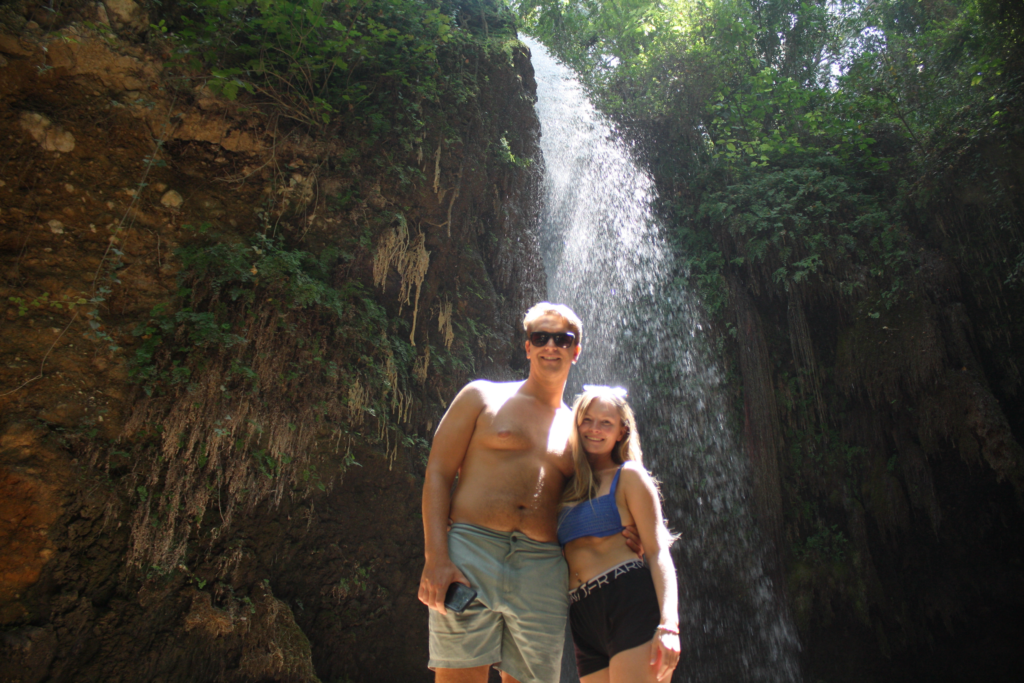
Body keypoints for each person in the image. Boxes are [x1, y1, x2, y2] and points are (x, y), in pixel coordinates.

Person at [418, 303, 640, 683]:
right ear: (527, 347)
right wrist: (436, 557)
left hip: (543, 565)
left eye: (562, 338)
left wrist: (627, 531)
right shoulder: (481, 397)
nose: (550, 345)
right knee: (458, 675)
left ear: (576, 349)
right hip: (472, 551)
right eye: (541, 337)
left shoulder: (581, 432)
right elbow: (437, 473)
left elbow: (606, 490)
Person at [558, 386, 681, 683]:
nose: (594, 429)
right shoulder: (562, 486)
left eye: (606, 423)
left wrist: (669, 623)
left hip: (627, 602)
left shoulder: (629, 477)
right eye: (587, 420)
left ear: (621, 432)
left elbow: (656, 551)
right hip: (582, 613)